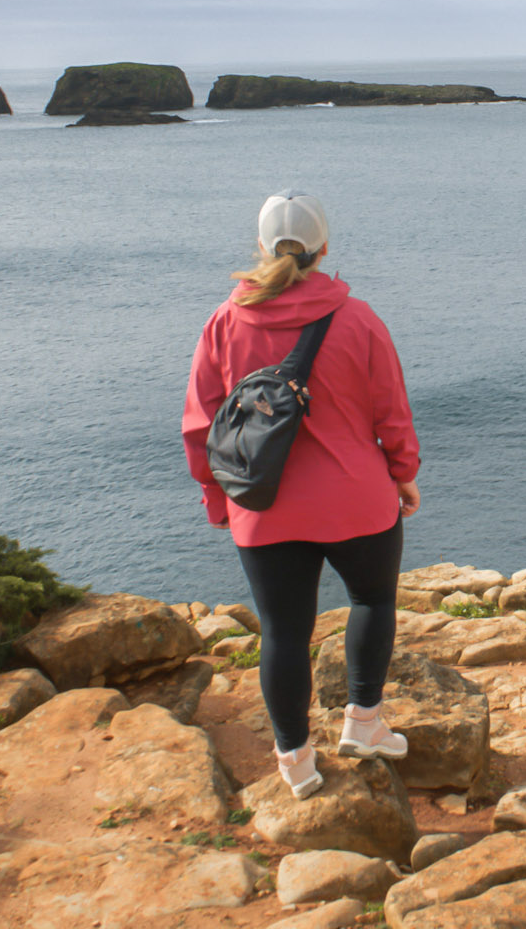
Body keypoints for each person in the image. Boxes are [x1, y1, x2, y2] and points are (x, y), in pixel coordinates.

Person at [182, 192, 421, 797]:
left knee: (283, 633)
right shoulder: (358, 318)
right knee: (372, 601)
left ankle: (295, 763)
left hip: (262, 507)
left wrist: (218, 500)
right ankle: (363, 725)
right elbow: (391, 409)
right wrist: (403, 472)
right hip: (357, 500)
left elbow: (200, 425)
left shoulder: (224, 322)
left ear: (261, 247)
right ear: (324, 249)